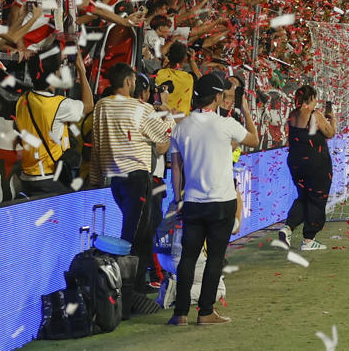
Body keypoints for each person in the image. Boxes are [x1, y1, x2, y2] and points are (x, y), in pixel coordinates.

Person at [166, 72, 247, 326]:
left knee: (188, 258)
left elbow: (176, 168)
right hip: (221, 202)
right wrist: (243, 108)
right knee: (214, 257)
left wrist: (178, 198)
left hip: (192, 201)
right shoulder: (226, 124)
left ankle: (180, 314)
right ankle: (205, 312)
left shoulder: (182, 126)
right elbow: (253, 139)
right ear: (216, 97)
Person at [90, 63, 170, 287]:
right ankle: (130, 289)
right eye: (133, 80)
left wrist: (94, 179)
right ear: (128, 82)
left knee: (134, 231)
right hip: (138, 178)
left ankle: (134, 286)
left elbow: (96, 145)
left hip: (116, 180)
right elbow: (164, 136)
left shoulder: (101, 106)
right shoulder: (142, 108)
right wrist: (168, 114)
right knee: (137, 235)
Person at [13, 51, 93, 196]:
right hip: (51, 178)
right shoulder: (58, 105)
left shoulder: (23, 99)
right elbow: (89, 105)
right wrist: (81, 69)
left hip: (27, 175)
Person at [280, 85, 333, 252]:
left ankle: (288, 228)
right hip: (316, 163)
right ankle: (309, 239)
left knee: (304, 196)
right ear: (311, 98)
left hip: (295, 162)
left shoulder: (292, 114)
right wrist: (332, 119)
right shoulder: (314, 114)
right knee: (317, 198)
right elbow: (330, 133)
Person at [155, 41, 195, 117]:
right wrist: (192, 61)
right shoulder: (190, 78)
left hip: (161, 120)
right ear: (185, 58)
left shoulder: (158, 73)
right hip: (180, 123)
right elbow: (202, 80)